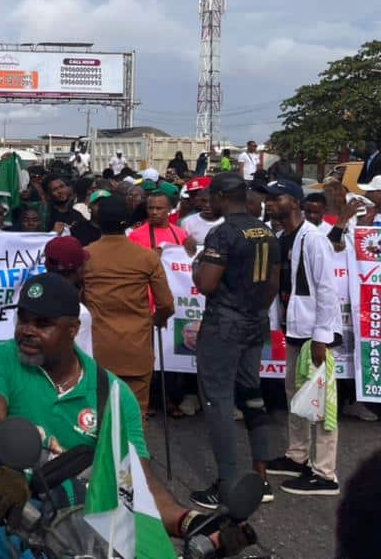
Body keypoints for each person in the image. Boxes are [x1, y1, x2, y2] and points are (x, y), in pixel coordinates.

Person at [0, 273, 218, 559]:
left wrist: (189, 521)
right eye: (23, 319)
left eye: (42, 323)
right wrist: (3, 467)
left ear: (73, 329)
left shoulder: (112, 393)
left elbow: (136, 480)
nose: (27, 329)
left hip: (75, 507)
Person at [190, 172, 281, 509]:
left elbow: (208, 284)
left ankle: (227, 483)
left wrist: (198, 265)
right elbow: (273, 282)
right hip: (256, 321)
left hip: (223, 326)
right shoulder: (267, 232)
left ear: (220, 197)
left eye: (210, 197)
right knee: (252, 395)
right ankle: (261, 476)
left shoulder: (223, 233)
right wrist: (255, 311)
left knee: (218, 402)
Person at [263, 177, 341, 496]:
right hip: (294, 330)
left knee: (321, 401)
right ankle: (298, 456)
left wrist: (322, 336)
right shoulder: (283, 237)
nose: (269, 202)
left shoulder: (313, 239)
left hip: (314, 334)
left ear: (295, 202)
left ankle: (324, 473)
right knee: (297, 395)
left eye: (276, 197)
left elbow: (326, 288)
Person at [82, 195, 173, 416]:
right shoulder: (147, 257)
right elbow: (166, 304)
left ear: (97, 222)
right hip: (136, 348)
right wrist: (156, 321)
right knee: (135, 414)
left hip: (97, 349)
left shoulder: (85, 255)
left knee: (100, 413)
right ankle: (135, 452)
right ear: (130, 222)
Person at [129, 192, 197, 255]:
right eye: (150, 208)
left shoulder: (182, 234)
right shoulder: (135, 235)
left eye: (159, 208)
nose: (154, 212)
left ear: (169, 209)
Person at [179, 177, 222, 243]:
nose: (196, 198)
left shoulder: (229, 220)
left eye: (197, 194)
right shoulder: (186, 221)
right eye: (192, 195)